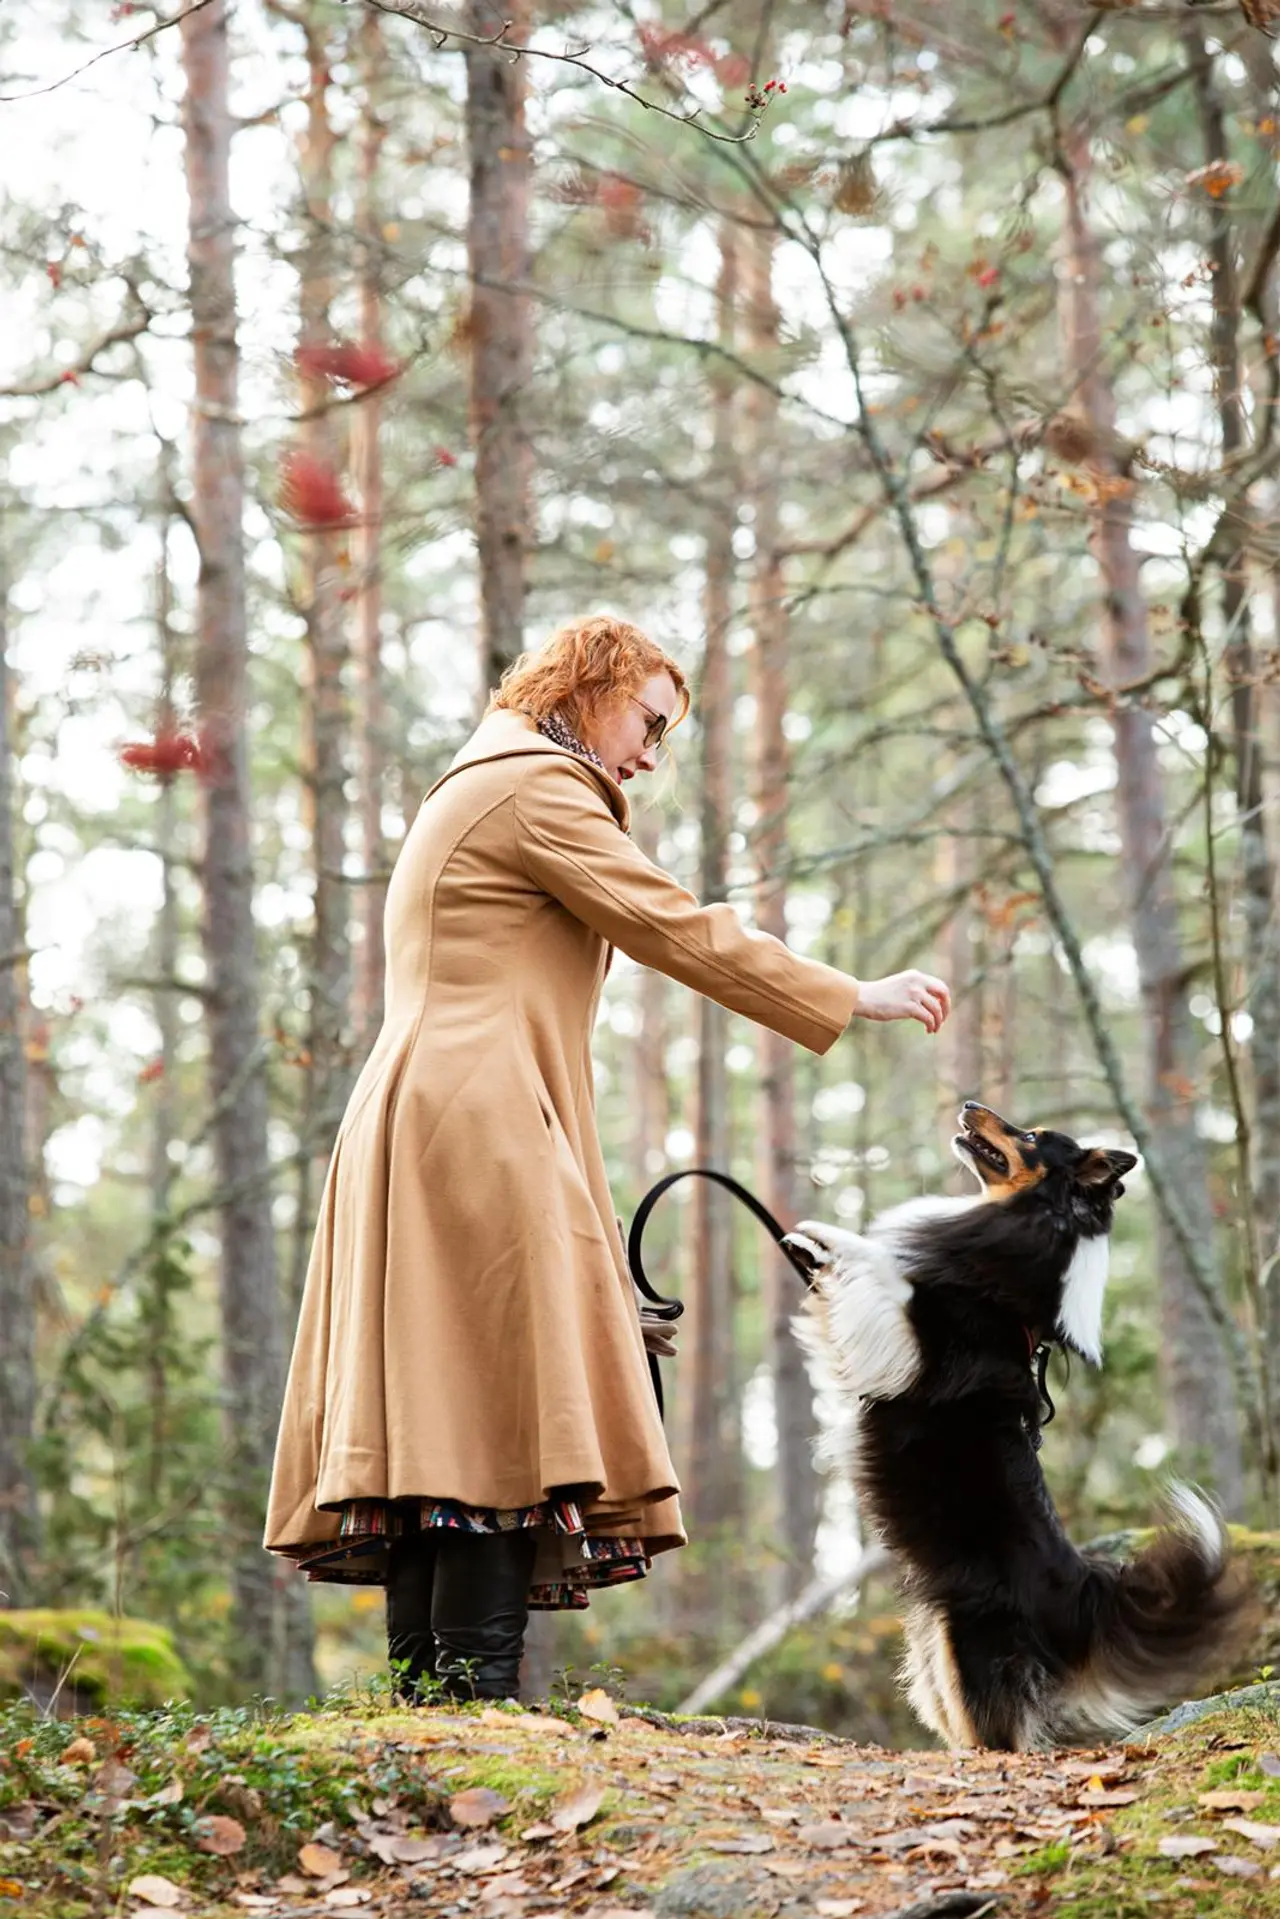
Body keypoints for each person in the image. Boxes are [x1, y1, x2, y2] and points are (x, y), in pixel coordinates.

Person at [264, 614, 950, 1702]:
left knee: (441, 1400)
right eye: (646, 721)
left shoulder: (474, 779)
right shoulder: (533, 785)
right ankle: (471, 1704)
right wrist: (845, 993)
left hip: (422, 1114)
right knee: (492, 1398)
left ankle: (428, 1707)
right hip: (474, 1115)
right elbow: (666, 920)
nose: (647, 753)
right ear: (590, 686)